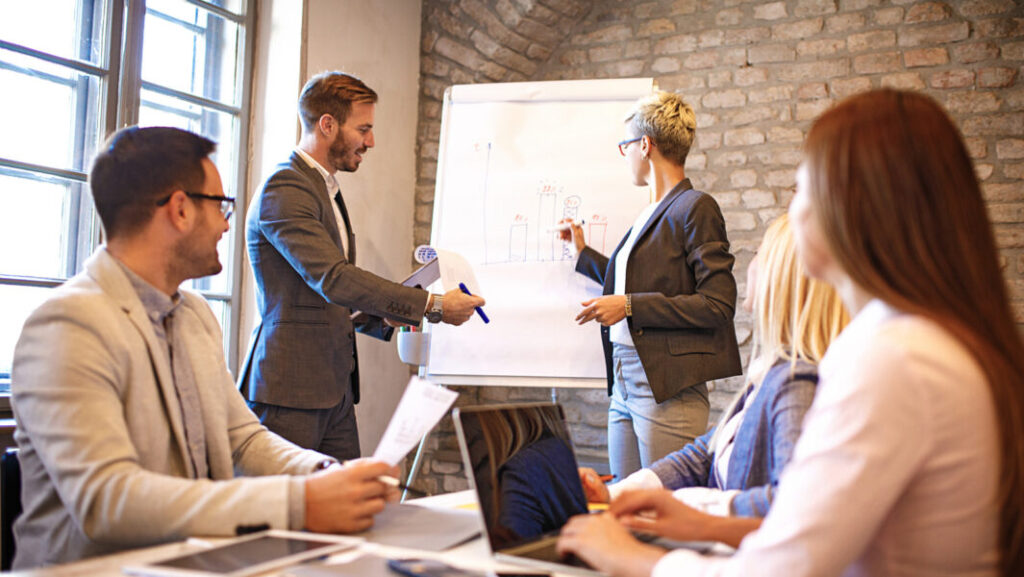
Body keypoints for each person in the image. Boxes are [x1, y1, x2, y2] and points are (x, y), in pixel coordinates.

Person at [556, 89, 1024, 576]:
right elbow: (795, 519)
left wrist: (633, 558)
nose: (791, 212)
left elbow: (785, 566)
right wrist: (698, 516)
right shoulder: (915, 342)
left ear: (855, 206)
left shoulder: (892, 359)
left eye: (801, 188)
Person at [10, 127, 400, 569]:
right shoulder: (68, 325)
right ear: (179, 209)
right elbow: (107, 500)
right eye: (221, 205)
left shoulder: (194, 314)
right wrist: (297, 502)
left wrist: (324, 473)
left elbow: (241, 439)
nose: (227, 224)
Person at [238, 71, 483, 461]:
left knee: (348, 514)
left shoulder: (323, 187)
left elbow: (321, 295)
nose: (371, 141)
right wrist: (432, 306)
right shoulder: (285, 187)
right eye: (363, 129)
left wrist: (378, 317)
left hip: (333, 390)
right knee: (285, 515)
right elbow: (332, 278)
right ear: (328, 125)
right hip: (290, 392)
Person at [579, 213, 848, 518]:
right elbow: (702, 457)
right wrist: (615, 493)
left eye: (760, 253)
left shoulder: (798, 383)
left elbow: (792, 503)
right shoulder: (771, 373)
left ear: (783, 275)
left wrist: (688, 507)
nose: (751, 263)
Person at [560, 91, 742, 480]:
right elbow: (635, 281)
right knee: (626, 505)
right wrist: (583, 253)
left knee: (665, 509)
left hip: (665, 386)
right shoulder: (650, 213)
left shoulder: (695, 206)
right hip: (624, 381)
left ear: (645, 145)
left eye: (624, 145)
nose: (624, 154)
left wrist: (628, 306)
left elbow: (718, 304)